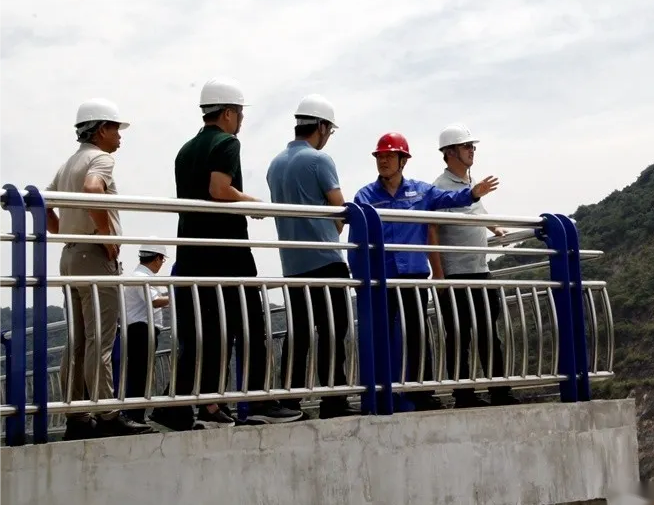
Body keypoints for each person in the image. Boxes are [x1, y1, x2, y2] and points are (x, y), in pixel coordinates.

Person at [151, 77, 300, 431]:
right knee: (250, 326)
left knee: (203, 334)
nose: (242, 120)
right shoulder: (227, 142)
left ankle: (186, 406)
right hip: (227, 252)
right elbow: (219, 188)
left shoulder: (185, 150)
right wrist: (251, 203)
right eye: (240, 113)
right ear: (229, 113)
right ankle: (260, 401)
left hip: (192, 251)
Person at [353, 132, 499, 411]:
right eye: (380, 156)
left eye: (389, 156)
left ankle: (423, 394)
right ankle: (381, 395)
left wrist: (473, 193)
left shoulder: (421, 191)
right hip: (381, 278)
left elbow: (448, 198)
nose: (383, 161)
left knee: (418, 335)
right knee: (381, 336)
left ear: (403, 161)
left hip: (414, 275)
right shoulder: (365, 196)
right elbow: (356, 235)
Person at [46, 98, 151, 439]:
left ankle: (76, 417)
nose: (120, 136)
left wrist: (64, 231)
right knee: (101, 339)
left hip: (70, 256)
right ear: (102, 129)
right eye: (116, 129)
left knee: (76, 341)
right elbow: (93, 189)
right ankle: (107, 414)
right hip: (94, 255)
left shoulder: (68, 163)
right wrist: (106, 237)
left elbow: (43, 203)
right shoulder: (100, 159)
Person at [266, 94, 358, 419]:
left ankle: (289, 401)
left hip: (292, 265)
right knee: (333, 330)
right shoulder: (320, 160)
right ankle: (333, 399)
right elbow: (340, 210)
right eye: (329, 130)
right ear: (321, 127)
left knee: (300, 334)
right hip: (326, 259)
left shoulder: (274, 165)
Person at [428, 123, 520, 408]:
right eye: (467, 146)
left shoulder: (471, 183)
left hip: (481, 270)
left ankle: (499, 391)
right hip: (456, 274)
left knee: (489, 333)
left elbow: (477, 212)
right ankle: (464, 395)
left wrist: (495, 229)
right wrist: (439, 275)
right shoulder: (439, 188)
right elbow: (431, 230)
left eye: (472, 146)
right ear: (450, 152)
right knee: (459, 336)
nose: (472, 150)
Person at [123, 241, 170, 423]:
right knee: (139, 374)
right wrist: (176, 296)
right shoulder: (141, 277)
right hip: (141, 331)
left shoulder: (140, 275)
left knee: (139, 373)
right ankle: (134, 417)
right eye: (162, 260)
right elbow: (154, 301)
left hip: (140, 330)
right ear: (157, 258)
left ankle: (134, 416)